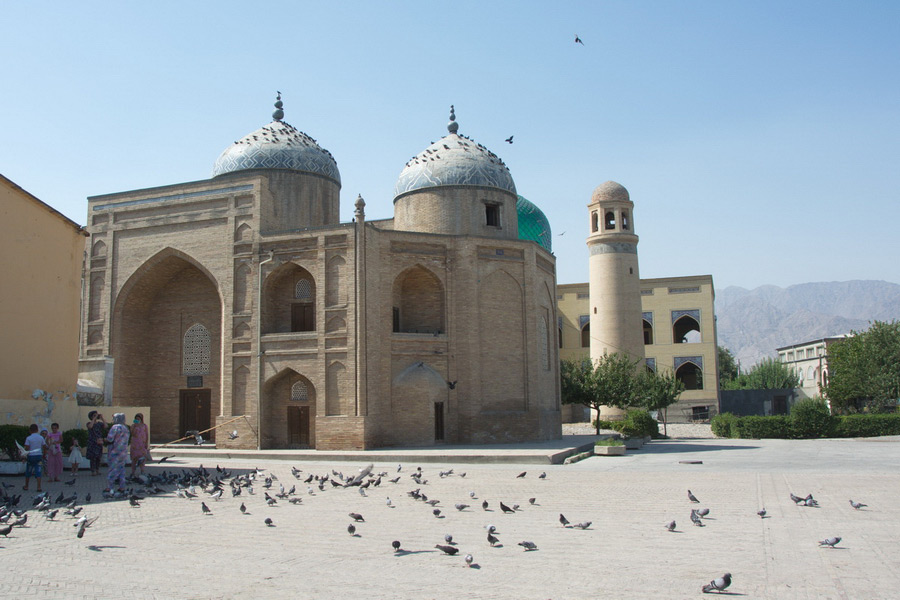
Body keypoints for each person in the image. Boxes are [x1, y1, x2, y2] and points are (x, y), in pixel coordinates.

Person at [105, 413, 130, 493]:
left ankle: (110, 487)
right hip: (123, 452)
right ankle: (122, 487)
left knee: (113, 469)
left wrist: (103, 440)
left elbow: (110, 439)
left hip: (115, 452)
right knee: (122, 470)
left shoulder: (115, 427)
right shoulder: (126, 428)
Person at [23, 424, 46, 491]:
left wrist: (24, 456)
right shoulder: (41, 437)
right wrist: (44, 454)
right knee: (38, 471)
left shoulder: (28, 438)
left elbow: (27, 448)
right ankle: (39, 487)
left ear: (30, 430)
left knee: (28, 471)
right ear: (37, 430)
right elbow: (44, 446)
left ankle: (26, 486)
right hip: (39, 456)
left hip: (31, 456)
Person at [86, 411, 106, 476]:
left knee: (98, 457)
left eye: (96, 415)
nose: (95, 416)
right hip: (92, 442)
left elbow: (106, 426)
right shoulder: (89, 423)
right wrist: (93, 419)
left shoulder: (99, 424)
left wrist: (102, 418)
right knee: (93, 457)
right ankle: (93, 471)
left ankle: (97, 470)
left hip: (99, 442)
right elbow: (90, 427)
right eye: (94, 415)